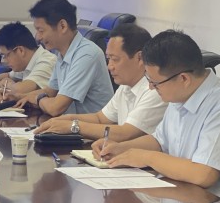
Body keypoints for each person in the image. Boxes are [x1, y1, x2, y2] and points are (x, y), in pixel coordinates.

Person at [97, 30, 220, 203]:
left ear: (184, 78)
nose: (151, 87)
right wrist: (121, 148)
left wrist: (145, 157)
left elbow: (204, 174)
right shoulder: (180, 94)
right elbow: (159, 141)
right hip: (187, 197)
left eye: (155, 83)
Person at [35, 23, 168, 140]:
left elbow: (124, 133)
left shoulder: (155, 90)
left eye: (115, 59)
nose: (110, 66)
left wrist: (73, 126)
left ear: (140, 58)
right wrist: (64, 119)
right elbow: (100, 118)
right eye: (108, 59)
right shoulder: (125, 86)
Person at [15, 0, 114, 116]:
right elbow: (50, 91)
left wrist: (38, 99)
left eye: (41, 31)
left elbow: (56, 108)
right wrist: (17, 97)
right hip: (71, 124)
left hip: (93, 127)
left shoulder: (87, 54)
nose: (38, 37)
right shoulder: (62, 53)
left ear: (62, 26)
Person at [0, 21, 56, 97]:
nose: (5, 61)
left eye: (6, 55)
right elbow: (8, 75)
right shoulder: (27, 62)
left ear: (20, 50)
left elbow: (20, 90)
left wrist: (8, 84)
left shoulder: (47, 61)